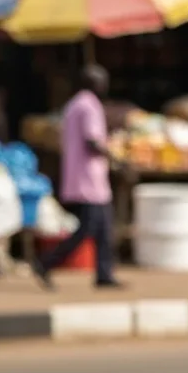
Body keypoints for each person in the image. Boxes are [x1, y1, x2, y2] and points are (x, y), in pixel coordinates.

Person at [33, 65, 122, 290]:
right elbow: (92, 141)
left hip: (86, 178)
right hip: (88, 178)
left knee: (104, 229)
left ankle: (104, 274)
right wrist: (114, 156)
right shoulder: (89, 105)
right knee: (88, 229)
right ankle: (46, 262)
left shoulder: (74, 104)